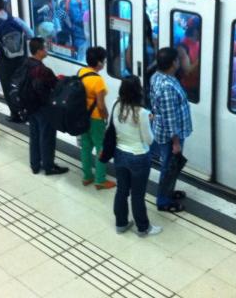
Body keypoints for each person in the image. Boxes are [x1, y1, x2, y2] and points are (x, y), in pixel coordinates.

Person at [113, 75, 162, 237]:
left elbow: (113, 128)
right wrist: (149, 121)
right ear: (138, 92)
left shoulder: (116, 106)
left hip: (120, 153)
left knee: (122, 190)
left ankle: (121, 223)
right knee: (137, 195)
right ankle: (143, 228)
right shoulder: (141, 113)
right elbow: (148, 140)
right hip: (138, 157)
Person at [151, 47, 192, 212]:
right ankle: (163, 201)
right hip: (170, 136)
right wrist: (176, 142)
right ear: (173, 63)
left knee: (170, 166)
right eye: (178, 59)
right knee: (168, 167)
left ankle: (168, 192)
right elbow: (170, 117)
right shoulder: (167, 86)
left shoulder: (158, 76)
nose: (179, 62)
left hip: (166, 131)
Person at [0, 0, 34, 123]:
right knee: (22, 84)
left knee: (7, 87)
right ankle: (26, 111)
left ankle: (15, 114)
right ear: (5, 6)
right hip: (21, 59)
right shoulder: (16, 20)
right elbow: (31, 35)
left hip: (5, 61)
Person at [26, 38, 69, 175]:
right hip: (44, 108)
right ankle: (49, 166)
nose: (47, 50)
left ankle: (35, 165)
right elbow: (55, 87)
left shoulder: (25, 64)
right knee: (47, 137)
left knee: (34, 135)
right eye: (45, 48)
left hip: (30, 106)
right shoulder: (43, 70)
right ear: (39, 51)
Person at [79, 47, 115, 189]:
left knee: (86, 147)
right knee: (101, 147)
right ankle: (100, 180)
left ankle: (87, 177)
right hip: (95, 118)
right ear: (99, 63)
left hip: (82, 116)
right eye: (104, 60)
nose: (105, 63)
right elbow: (100, 105)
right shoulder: (98, 81)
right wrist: (106, 117)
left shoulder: (82, 72)